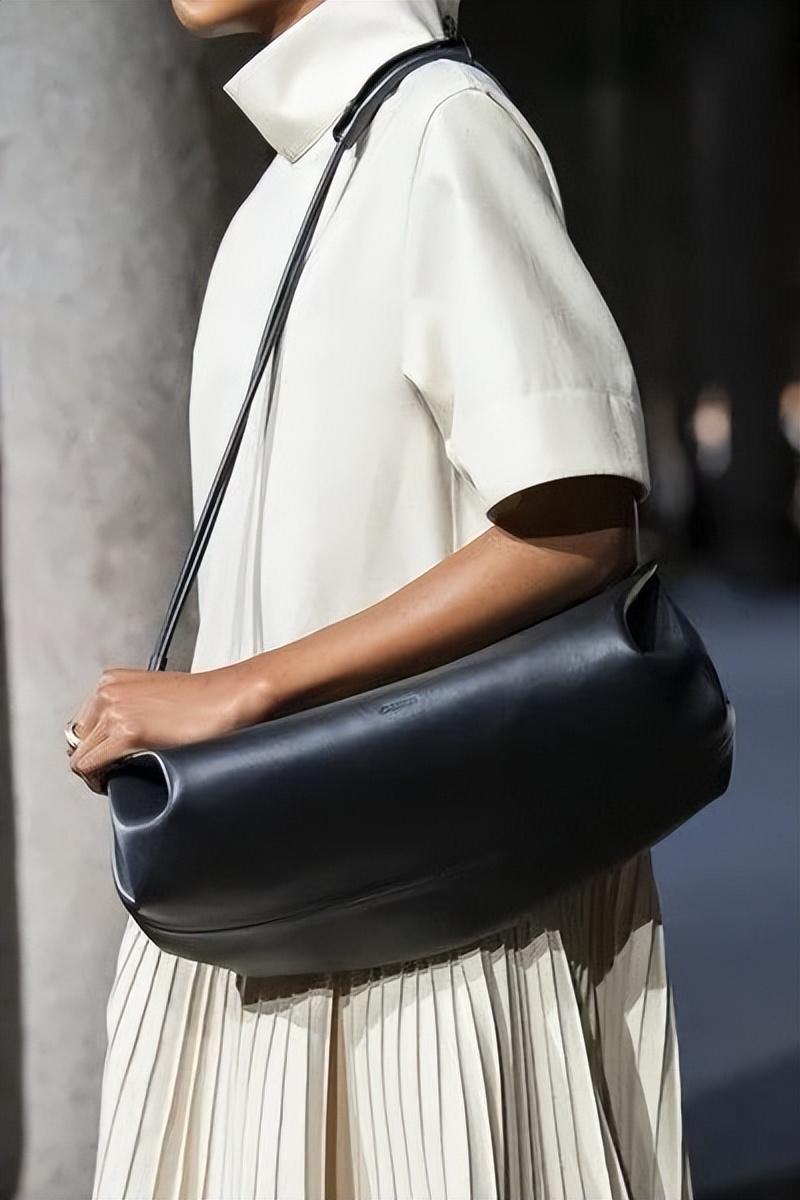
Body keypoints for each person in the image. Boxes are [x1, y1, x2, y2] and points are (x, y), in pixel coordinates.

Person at [68, 0, 694, 1196]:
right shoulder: (293, 184)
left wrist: (241, 691)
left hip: (428, 898)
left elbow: (576, 525)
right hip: (279, 887)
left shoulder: (441, 131)